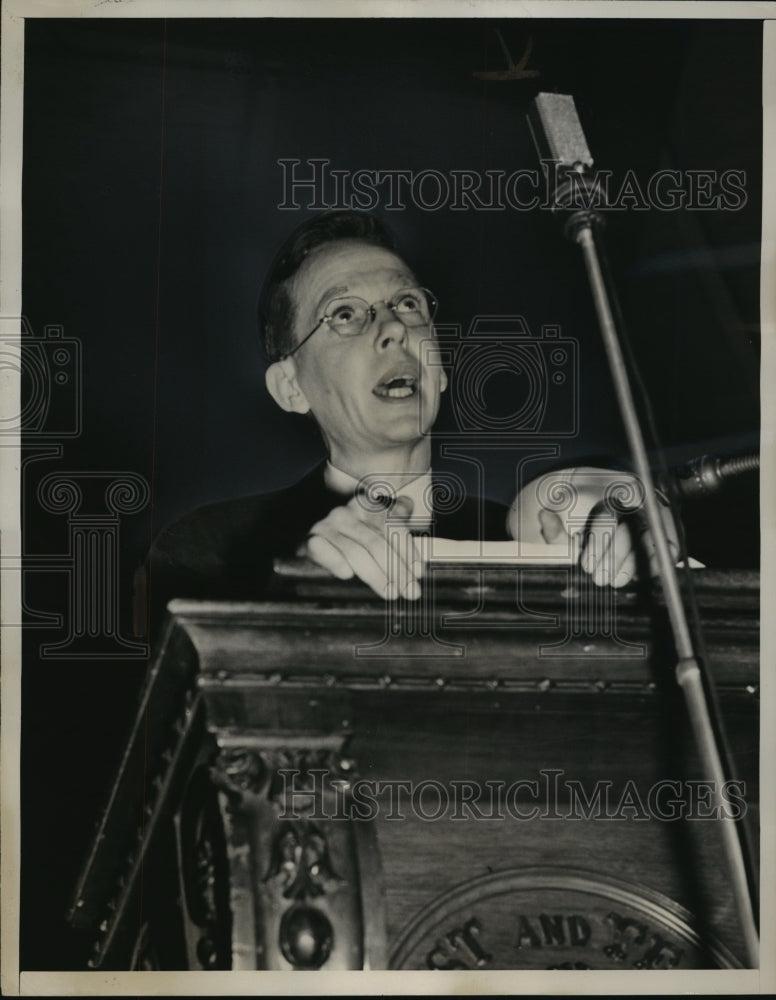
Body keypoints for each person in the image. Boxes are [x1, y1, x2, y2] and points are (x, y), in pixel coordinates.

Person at [136, 210, 677, 642]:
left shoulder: (537, 542)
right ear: (290, 387)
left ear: (440, 368)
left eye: (407, 303)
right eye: (345, 314)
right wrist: (299, 596)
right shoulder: (207, 549)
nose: (394, 327)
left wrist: (639, 543)